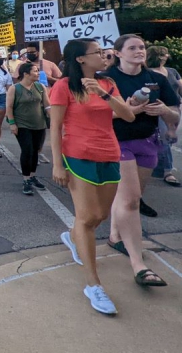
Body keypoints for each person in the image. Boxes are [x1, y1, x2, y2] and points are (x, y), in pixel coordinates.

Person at [49, 38, 138, 315]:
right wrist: (57, 164)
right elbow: (55, 127)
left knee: (100, 216)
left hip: (109, 154)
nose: (104, 56)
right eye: (98, 52)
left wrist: (103, 93)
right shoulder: (63, 87)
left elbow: (128, 116)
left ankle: (73, 236)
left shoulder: (108, 83)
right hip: (77, 156)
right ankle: (93, 284)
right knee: (88, 218)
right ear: (80, 59)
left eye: (104, 51)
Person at [105, 34, 178, 282]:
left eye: (142, 47)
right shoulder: (106, 79)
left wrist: (164, 111)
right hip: (117, 142)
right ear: (118, 53)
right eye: (133, 48)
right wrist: (127, 111)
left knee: (130, 196)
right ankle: (138, 264)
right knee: (131, 201)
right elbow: (93, 114)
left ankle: (115, 235)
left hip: (148, 142)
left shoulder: (157, 78)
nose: (139, 51)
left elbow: (175, 115)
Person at [6, 62, 50, 195]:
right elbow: (9, 107)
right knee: (27, 150)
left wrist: (54, 118)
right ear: (26, 74)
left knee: (35, 150)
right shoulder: (15, 88)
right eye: (35, 71)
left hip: (39, 124)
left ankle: (32, 176)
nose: (38, 73)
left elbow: (47, 105)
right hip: (22, 125)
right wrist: (12, 123)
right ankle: (26, 179)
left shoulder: (40, 87)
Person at [146, 45, 182, 187]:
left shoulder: (172, 71)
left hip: (173, 109)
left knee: (166, 139)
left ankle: (160, 167)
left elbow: (180, 87)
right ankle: (167, 171)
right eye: (163, 55)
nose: (165, 57)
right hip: (156, 108)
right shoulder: (147, 73)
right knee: (164, 138)